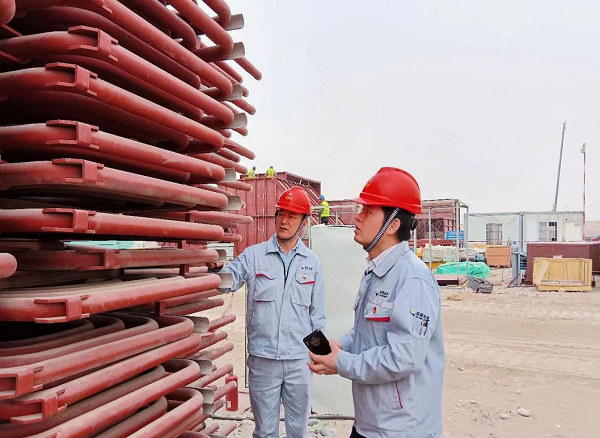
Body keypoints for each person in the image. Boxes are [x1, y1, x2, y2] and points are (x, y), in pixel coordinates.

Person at [307, 167, 445, 438]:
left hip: (402, 429)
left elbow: (403, 358)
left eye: (368, 211)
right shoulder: (377, 271)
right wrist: (341, 345)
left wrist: (342, 362)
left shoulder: (412, 278)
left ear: (393, 225)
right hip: (370, 423)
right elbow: (369, 331)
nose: (358, 216)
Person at [213, 186, 326, 438]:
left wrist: (317, 358)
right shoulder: (254, 256)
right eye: (281, 214)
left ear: (303, 223)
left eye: (292, 216)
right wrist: (213, 266)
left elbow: (317, 317)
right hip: (263, 361)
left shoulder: (312, 263)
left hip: (299, 361)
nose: (284, 221)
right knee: (265, 432)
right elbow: (226, 281)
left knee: (299, 432)